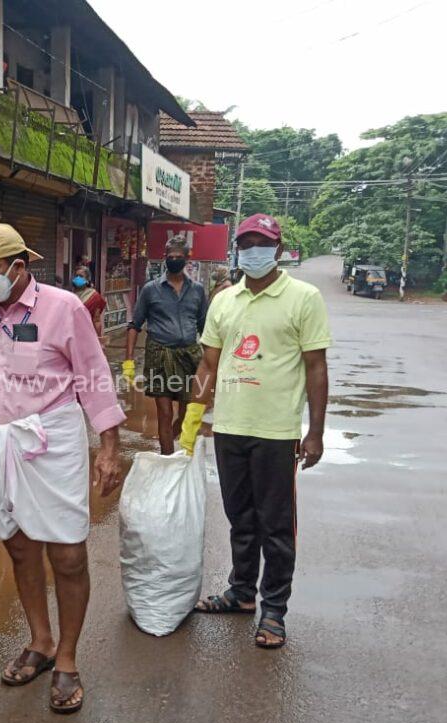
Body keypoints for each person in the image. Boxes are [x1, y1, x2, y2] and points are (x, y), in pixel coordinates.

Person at [0, 223, 124, 715]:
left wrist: (109, 447)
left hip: (52, 441)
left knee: (69, 553)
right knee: (18, 544)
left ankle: (69, 659)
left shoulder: (62, 308)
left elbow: (93, 377)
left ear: (19, 266)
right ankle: (41, 641)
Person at [180, 213, 331, 650]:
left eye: (261, 244)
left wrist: (315, 431)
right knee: (240, 518)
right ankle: (242, 592)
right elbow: (208, 364)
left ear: (279, 250)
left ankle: (275, 611)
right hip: (229, 428)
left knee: (276, 526)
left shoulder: (304, 297)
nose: (253, 252)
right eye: (245, 244)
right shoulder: (225, 300)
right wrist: (192, 424)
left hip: (277, 432)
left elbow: (316, 367)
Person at [122, 236, 208, 455]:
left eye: (179, 257)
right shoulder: (151, 290)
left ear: (188, 258)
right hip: (159, 354)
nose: (175, 260)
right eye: (171, 257)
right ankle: (167, 458)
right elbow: (135, 325)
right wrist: (129, 361)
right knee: (164, 412)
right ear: (164, 258)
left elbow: (206, 328)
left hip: (189, 356)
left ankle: (173, 437)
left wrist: (211, 363)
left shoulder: (197, 290)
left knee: (190, 409)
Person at [71, 266, 107, 335]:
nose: (78, 278)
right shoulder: (70, 294)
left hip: (86, 333)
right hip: (71, 332)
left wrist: (98, 339)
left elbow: (96, 320)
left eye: (81, 276)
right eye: (76, 276)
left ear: (87, 279)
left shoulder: (94, 296)